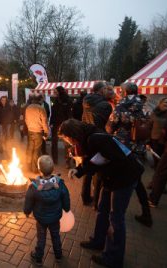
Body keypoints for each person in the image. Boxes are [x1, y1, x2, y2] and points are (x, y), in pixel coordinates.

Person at [60, 119, 143, 268]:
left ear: (72, 134)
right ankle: (98, 241)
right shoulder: (89, 137)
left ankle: (114, 258)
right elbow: (96, 160)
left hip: (123, 178)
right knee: (102, 209)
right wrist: (79, 170)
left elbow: (110, 159)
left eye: (66, 137)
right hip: (111, 178)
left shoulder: (94, 138)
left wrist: (84, 169)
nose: (67, 141)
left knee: (116, 218)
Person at [110, 82, 152, 227]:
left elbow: (111, 126)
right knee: (137, 181)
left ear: (125, 92)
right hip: (139, 148)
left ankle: (117, 214)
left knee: (123, 182)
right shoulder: (146, 106)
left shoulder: (121, 106)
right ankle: (146, 213)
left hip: (124, 149)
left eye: (121, 90)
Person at [24, 155, 70, 266]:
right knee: (55, 235)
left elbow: (29, 200)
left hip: (41, 218)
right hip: (55, 217)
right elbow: (66, 196)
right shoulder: (60, 184)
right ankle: (58, 255)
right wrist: (66, 208)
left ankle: (38, 258)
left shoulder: (34, 186)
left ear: (39, 169)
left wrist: (27, 211)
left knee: (41, 237)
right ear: (53, 168)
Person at [81, 82, 113, 208]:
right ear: (101, 90)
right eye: (106, 88)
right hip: (99, 138)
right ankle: (96, 202)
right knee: (98, 169)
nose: (108, 90)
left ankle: (85, 197)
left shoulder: (86, 100)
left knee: (88, 167)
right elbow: (104, 124)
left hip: (86, 136)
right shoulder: (105, 105)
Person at [25, 94, 49, 173]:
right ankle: (34, 169)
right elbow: (44, 122)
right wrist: (46, 132)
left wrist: (29, 127)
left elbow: (26, 120)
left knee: (29, 149)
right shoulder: (40, 109)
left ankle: (27, 167)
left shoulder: (28, 108)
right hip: (38, 132)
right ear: (39, 100)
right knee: (36, 150)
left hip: (30, 131)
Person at [50, 86, 72, 166]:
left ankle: (67, 161)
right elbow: (53, 113)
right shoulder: (56, 100)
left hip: (64, 124)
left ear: (60, 92)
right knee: (54, 142)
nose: (54, 93)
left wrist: (68, 123)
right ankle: (54, 159)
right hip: (56, 124)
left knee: (67, 143)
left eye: (56, 92)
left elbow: (69, 114)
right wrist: (51, 123)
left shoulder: (68, 100)